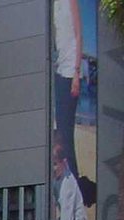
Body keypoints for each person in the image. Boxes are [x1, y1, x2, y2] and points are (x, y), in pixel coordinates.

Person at [53, 0, 83, 177]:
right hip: (59, 69)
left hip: (70, 71)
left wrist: (77, 73)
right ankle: (68, 179)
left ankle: (74, 179)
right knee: (61, 132)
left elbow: (79, 36)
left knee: (66, 132)